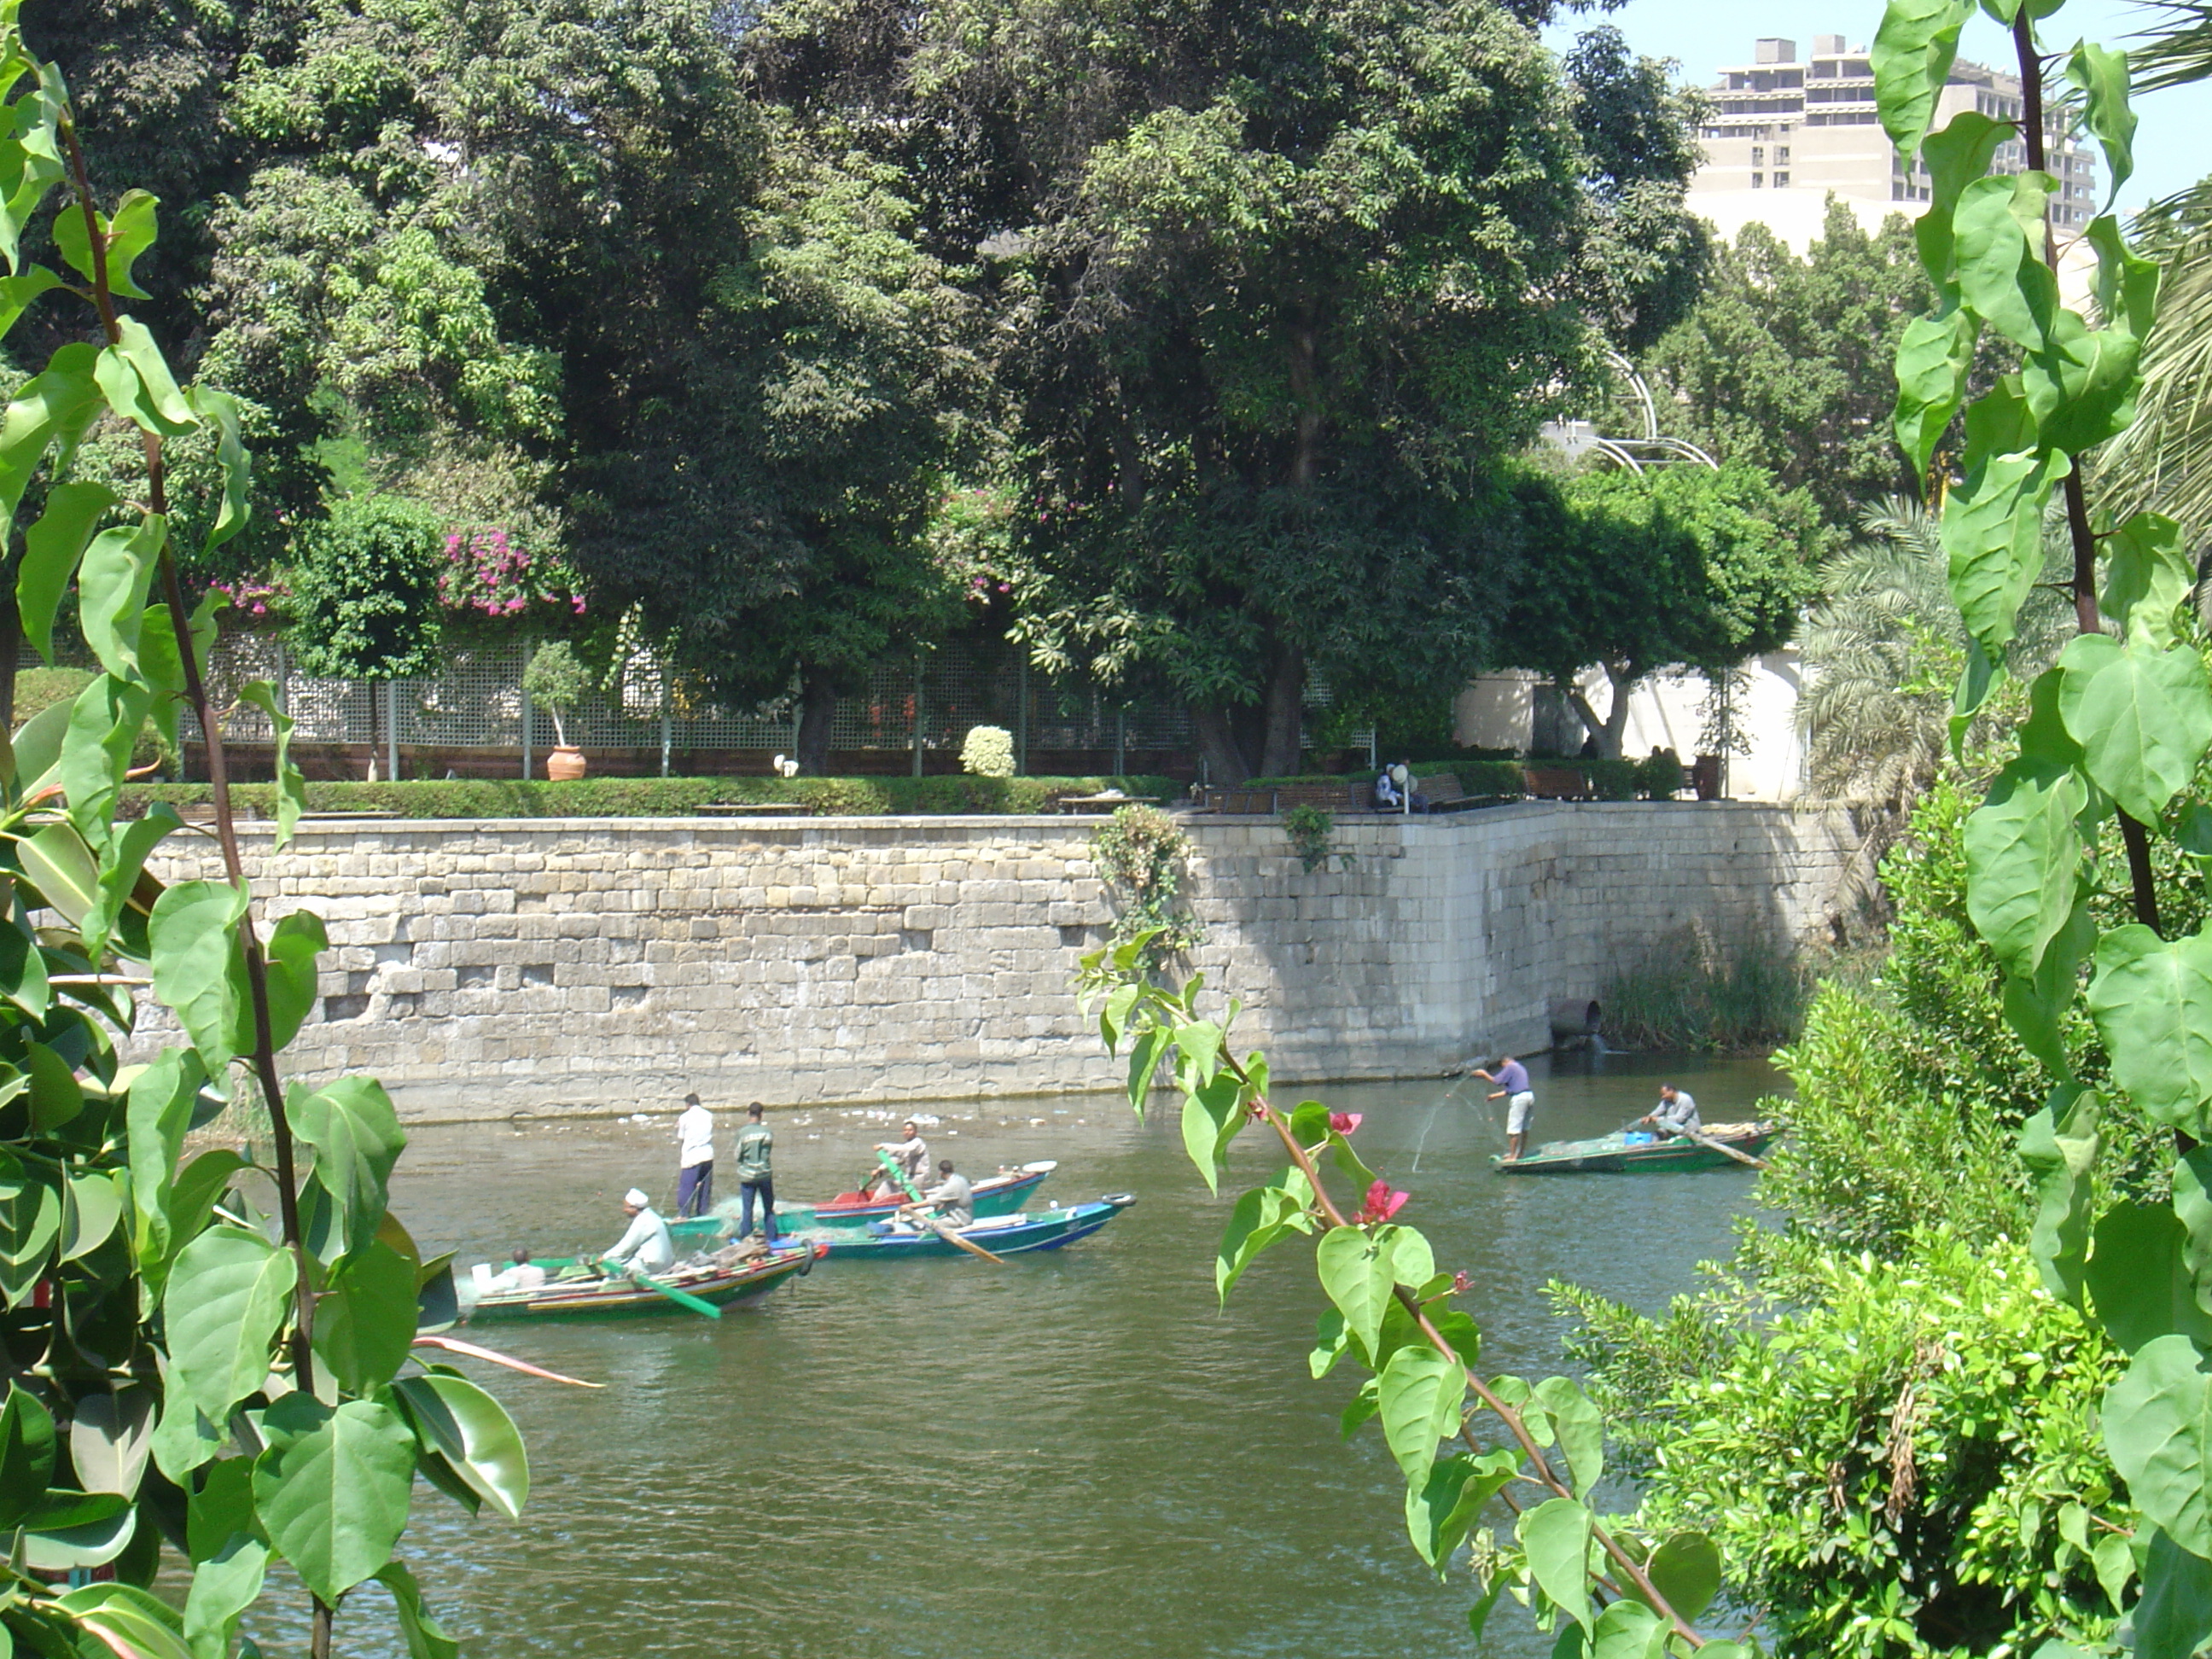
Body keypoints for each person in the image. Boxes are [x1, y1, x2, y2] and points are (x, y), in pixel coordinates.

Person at [1474, 1054, 1535, 1161]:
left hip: (1520, 1099)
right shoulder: (1520, 1067)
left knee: (1513, 1129)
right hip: (1529, 1096)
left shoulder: (1510, 1067)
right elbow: (1512, 1089)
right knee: (1525, 1128)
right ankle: (1520, 1153)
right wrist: (1494, 1096)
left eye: (1503, 1067)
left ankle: (1512, 1157)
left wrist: (1484, 1074)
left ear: (1504, 1063)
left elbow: (1496, 1081)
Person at [602, 1187, 674, 1275]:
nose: (624, 1210)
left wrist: (604, 1258)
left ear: (634, 1208)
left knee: (616, 1271)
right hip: (666, 1263)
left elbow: (625, 1247)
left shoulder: (642, 1221)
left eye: (626, 1207)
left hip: (653, 1265)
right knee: (622, 1261)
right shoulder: (653, 1216)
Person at [734, 1101, 777, 1242]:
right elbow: (768, 1151)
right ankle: (771, 1237)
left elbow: (738, 1156)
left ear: (748, 1113)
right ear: (761, 1115)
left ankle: (746, 1238)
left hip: (747, 1176)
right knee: (768, 1208)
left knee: (747, 1210)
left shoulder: (742, 1133)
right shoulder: (767, 1132)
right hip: (764, 1174)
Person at [675, 1092, 715, 1218]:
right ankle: (702, 1214)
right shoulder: (709, 1115)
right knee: (705, 1190)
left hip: (692, 1157)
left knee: (686, 1188)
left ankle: (684, 1215)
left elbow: (681, 1137)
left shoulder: (684, 1117)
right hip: (708, 1156)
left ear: (688, 1104)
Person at [870, 1120, 929, 1197]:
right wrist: (880, 1170)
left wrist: (883, 1146)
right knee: (887, 1185)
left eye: (910, 1130)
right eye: (905, 1130)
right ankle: (872, 1204)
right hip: (910, 1178)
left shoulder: (918, 1143)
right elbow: (896, 1160)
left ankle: (872, 1204)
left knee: (887, 1185)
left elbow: (904, 1149)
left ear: (915, 1132)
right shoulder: (908, 1145)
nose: (907, 1132)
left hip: (919, 1178)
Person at [915, 1159, 974, 1227]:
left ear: (941, 1172)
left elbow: (932, 1201)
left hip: (960, 1221)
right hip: (966, 1218)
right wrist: (926, 1192)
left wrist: (910, 1206)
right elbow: (943, 1189)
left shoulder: (952, 1185)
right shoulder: (960, 1179)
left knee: (928, 1225)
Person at [1636, 1083, 1701, 1137]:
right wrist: (1649, 1117)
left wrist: (1658, 1119)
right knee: (1656, 1134)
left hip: (1688, 1129)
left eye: (1664, 1094)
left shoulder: (1685, 1099)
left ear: (1671, 1091)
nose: (1663, 1097)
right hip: (1672, 1127)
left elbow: (1680, 1119)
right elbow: (1658, 1110)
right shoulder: (1666, 1101)